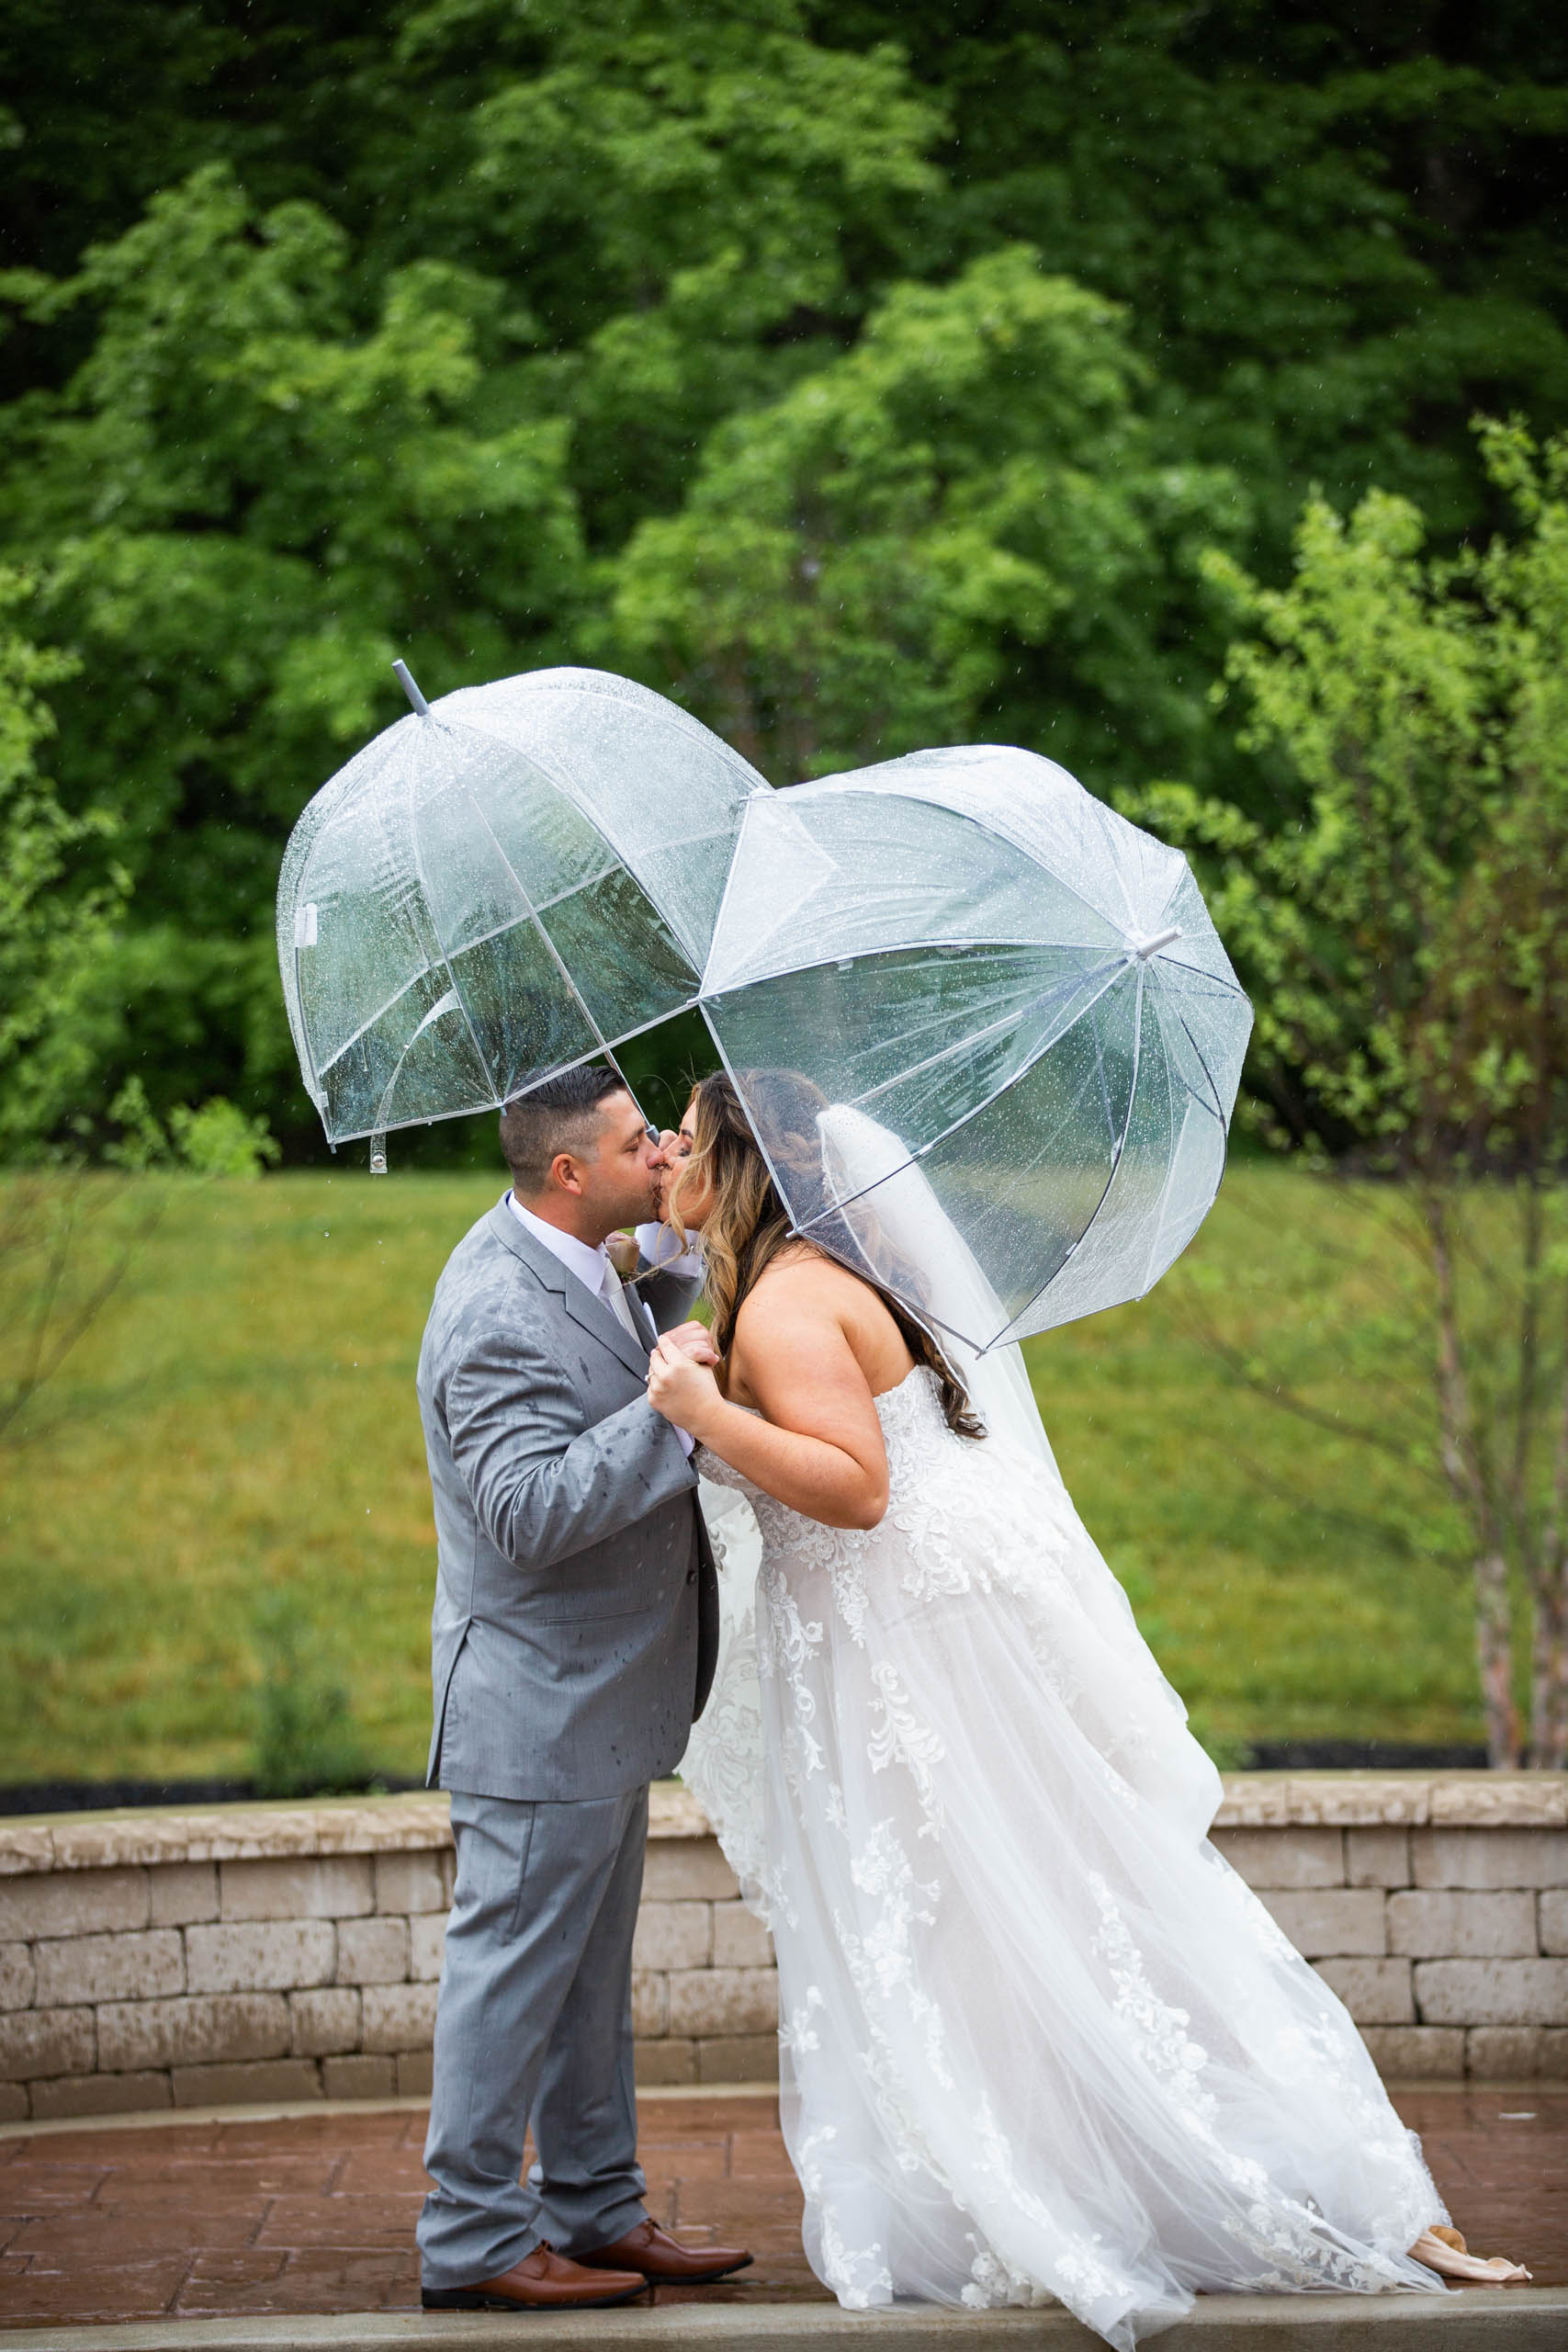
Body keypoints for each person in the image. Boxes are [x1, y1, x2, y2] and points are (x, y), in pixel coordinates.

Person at [644, 1069, 1528, 2350]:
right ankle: (1249, 2163)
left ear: (730, 1167)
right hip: (929, 1632)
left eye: (682, 1137)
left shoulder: (784, 1307)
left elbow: (856, 1488)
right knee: (1040, 1908)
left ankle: (1152, 2181)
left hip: (908, 1654)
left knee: (988, 1916)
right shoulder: (827, 1271)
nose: (665, 1152)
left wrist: (704, 1414)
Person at [414, 1065, 751, 2312]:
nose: (662, 1152)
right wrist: (677, 1412)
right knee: (510, 1978)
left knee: (585, 1983)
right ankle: (472, 2242)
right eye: (636, 1144)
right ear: (569, 1172)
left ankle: (599, 2211)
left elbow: (623, 1335)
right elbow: (524, 1512)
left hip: (603, 1701)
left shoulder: (582, 1255)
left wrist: (666, 1270)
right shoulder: (493, 1306)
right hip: (537, 1709)